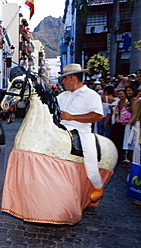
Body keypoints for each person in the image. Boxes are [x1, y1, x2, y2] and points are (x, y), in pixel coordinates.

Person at [57, 63, 104, 202]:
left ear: (73, 78)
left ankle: (97, 186)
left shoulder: (90, 95)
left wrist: (72, 117)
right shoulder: (62, 96)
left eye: (65, 79)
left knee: (90, 161)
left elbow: (98, 116)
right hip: (60, 130)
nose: (63, 82)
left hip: (81, 132)